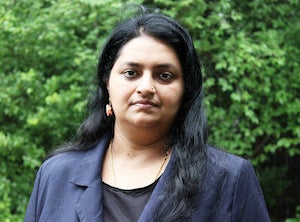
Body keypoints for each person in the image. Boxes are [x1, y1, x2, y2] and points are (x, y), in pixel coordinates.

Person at [24, 8, 270, 222]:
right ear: (107, 83)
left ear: (185, 90)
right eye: (131, 73)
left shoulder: (228, 181)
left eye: (164, 75)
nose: (145, 87)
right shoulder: (56, 176)